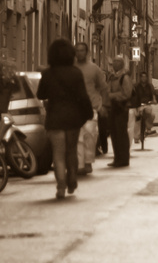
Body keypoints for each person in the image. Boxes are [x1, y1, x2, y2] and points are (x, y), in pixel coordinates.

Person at [37, 38, 94, 200]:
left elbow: (40, 94)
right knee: (71, 151)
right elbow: (83, 97)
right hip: (73, 119)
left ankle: (61, 185)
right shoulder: (76, 73)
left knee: (58, 153)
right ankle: (72, 179)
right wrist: (88, 113)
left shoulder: (48, 73)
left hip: (55, 118)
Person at [74, 41, 108, 175]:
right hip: (76, 107)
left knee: (90, 135)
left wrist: (103, 105)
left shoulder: (94, 69)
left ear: (86, 52)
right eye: (77, 50)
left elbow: (103, 87)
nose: (79, 53)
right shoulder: (72, 68)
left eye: (82, 50)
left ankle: (88, 161)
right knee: (78, 137)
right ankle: (80, 164)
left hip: (92, 106)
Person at [107, 55, 133, 167]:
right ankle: (117, 157)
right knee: (114, 134)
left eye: (118, 62)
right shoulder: (111, 76)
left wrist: (111, 96)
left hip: (121, 108)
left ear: (122, 64)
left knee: (121, 133)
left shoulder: (124, 78)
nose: (115, 63)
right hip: (112, 107)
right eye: (114, 61)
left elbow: (127, 94)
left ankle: (123, 158)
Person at [131, 71, 157, 142]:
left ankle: (148, 128)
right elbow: (133, 96)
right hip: (138, 105)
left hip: (147, 104)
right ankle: (136, 137)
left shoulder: (150, 86)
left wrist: (154, 100)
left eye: (145, 77)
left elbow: (153, 94)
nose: (143, 78)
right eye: (142, 76)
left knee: (151, 114)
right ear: (140, 77)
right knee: (137, 119)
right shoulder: (136, 86)